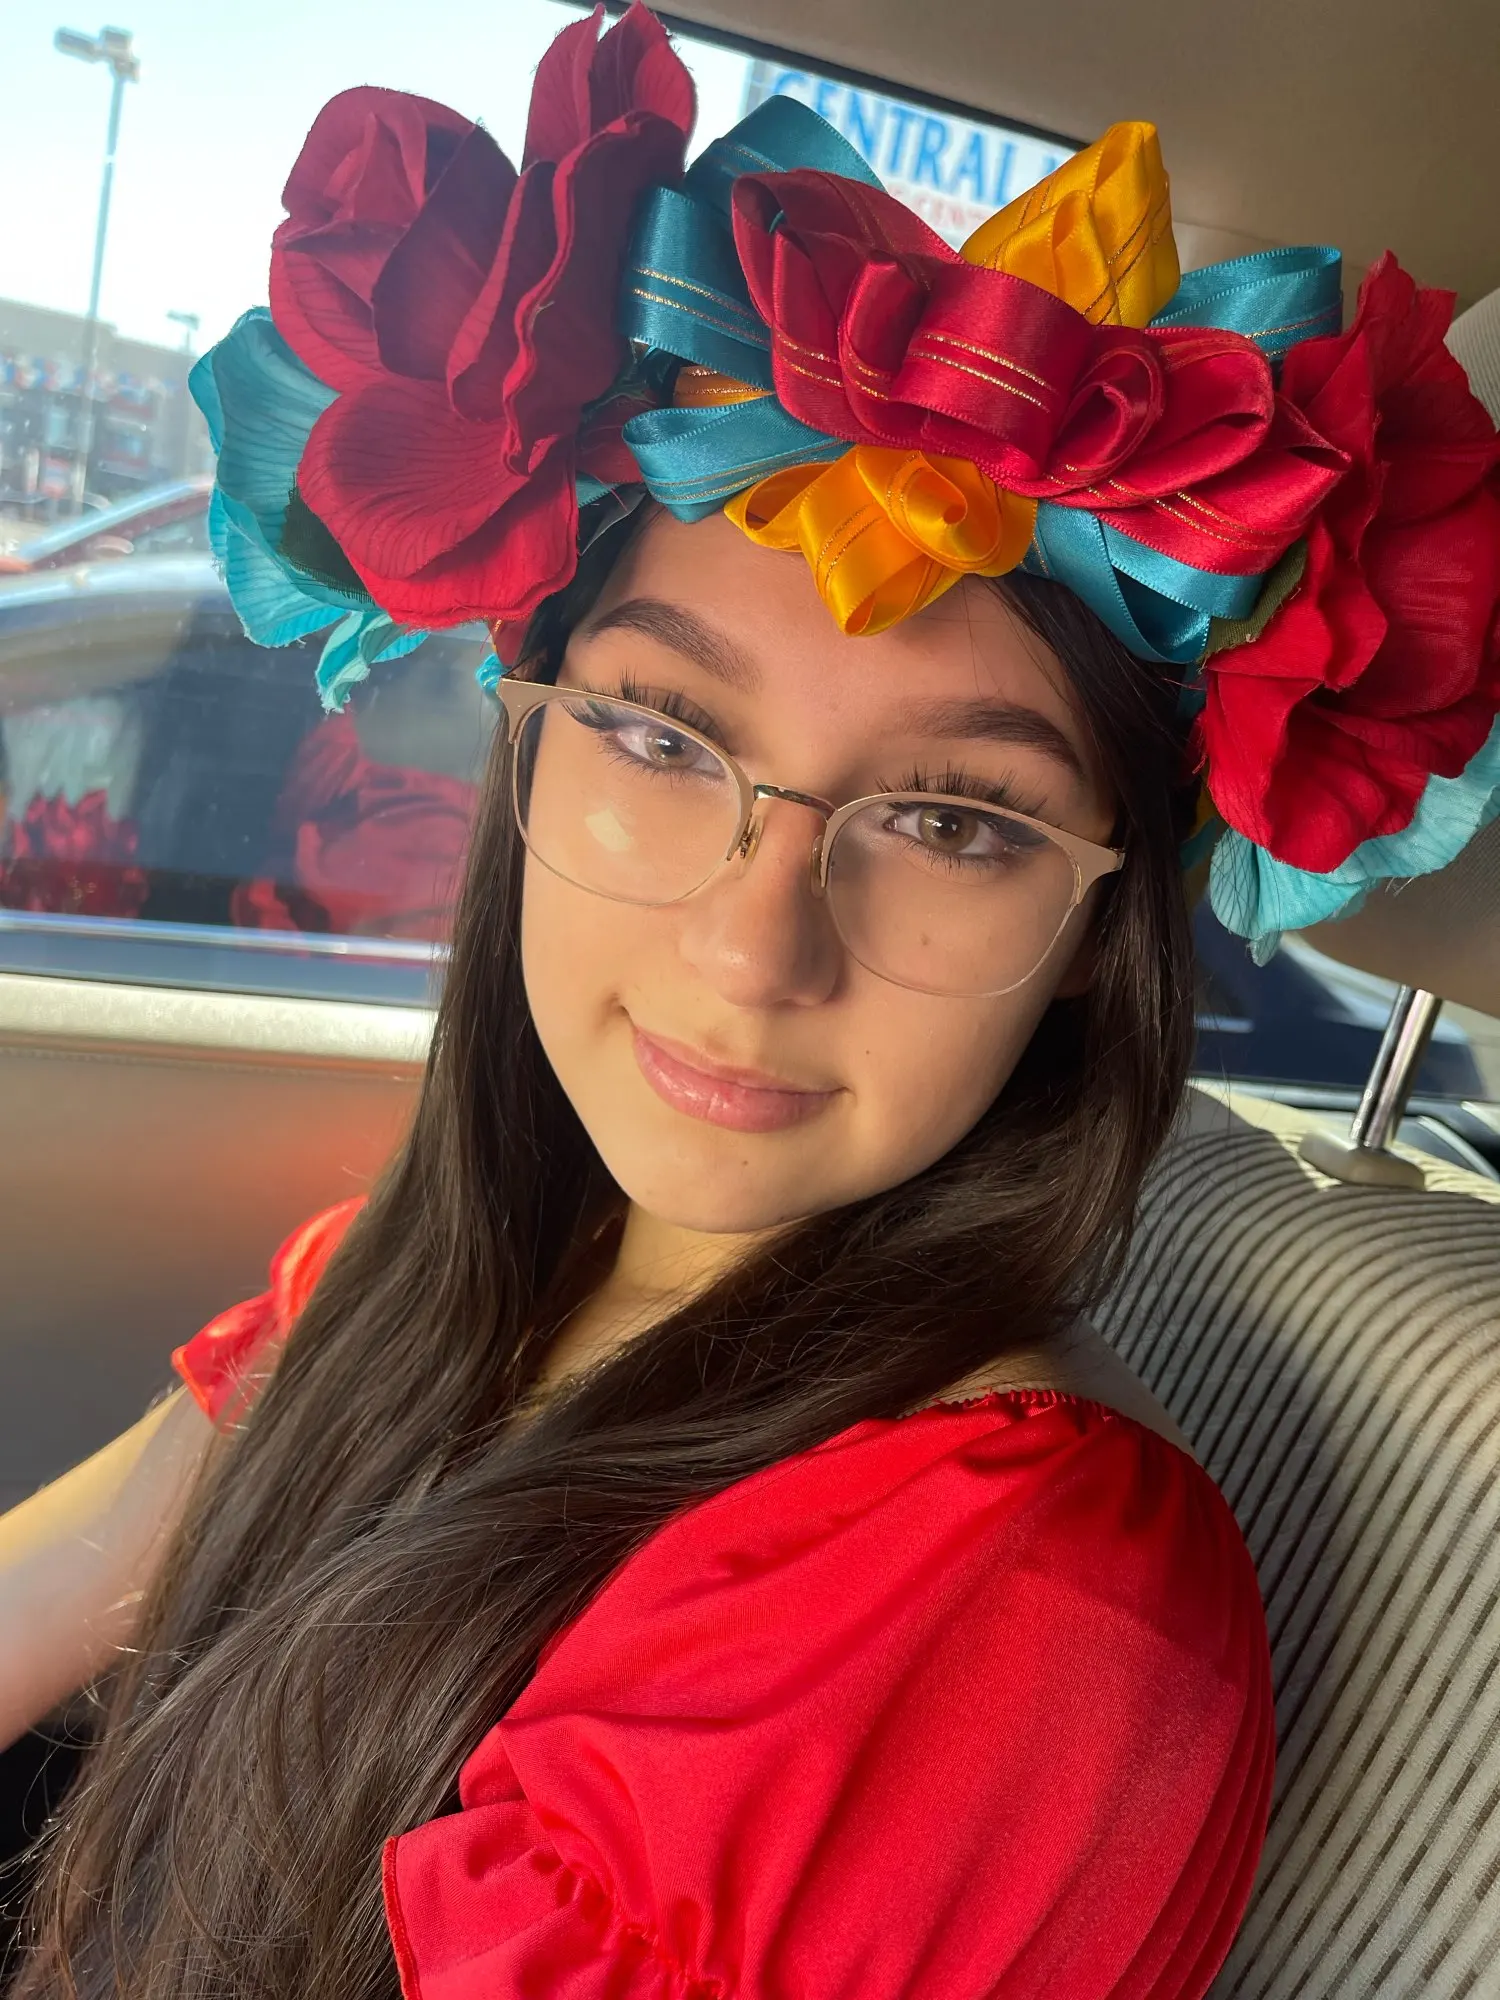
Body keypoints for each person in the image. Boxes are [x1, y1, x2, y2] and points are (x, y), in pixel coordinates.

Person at [3, 8, 1497, 1996]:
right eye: (660, 732)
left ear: (1099, 927)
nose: (751, 948)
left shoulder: (1008, 1595)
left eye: (954, 821)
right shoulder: (428, 1271)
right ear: (528, 737)